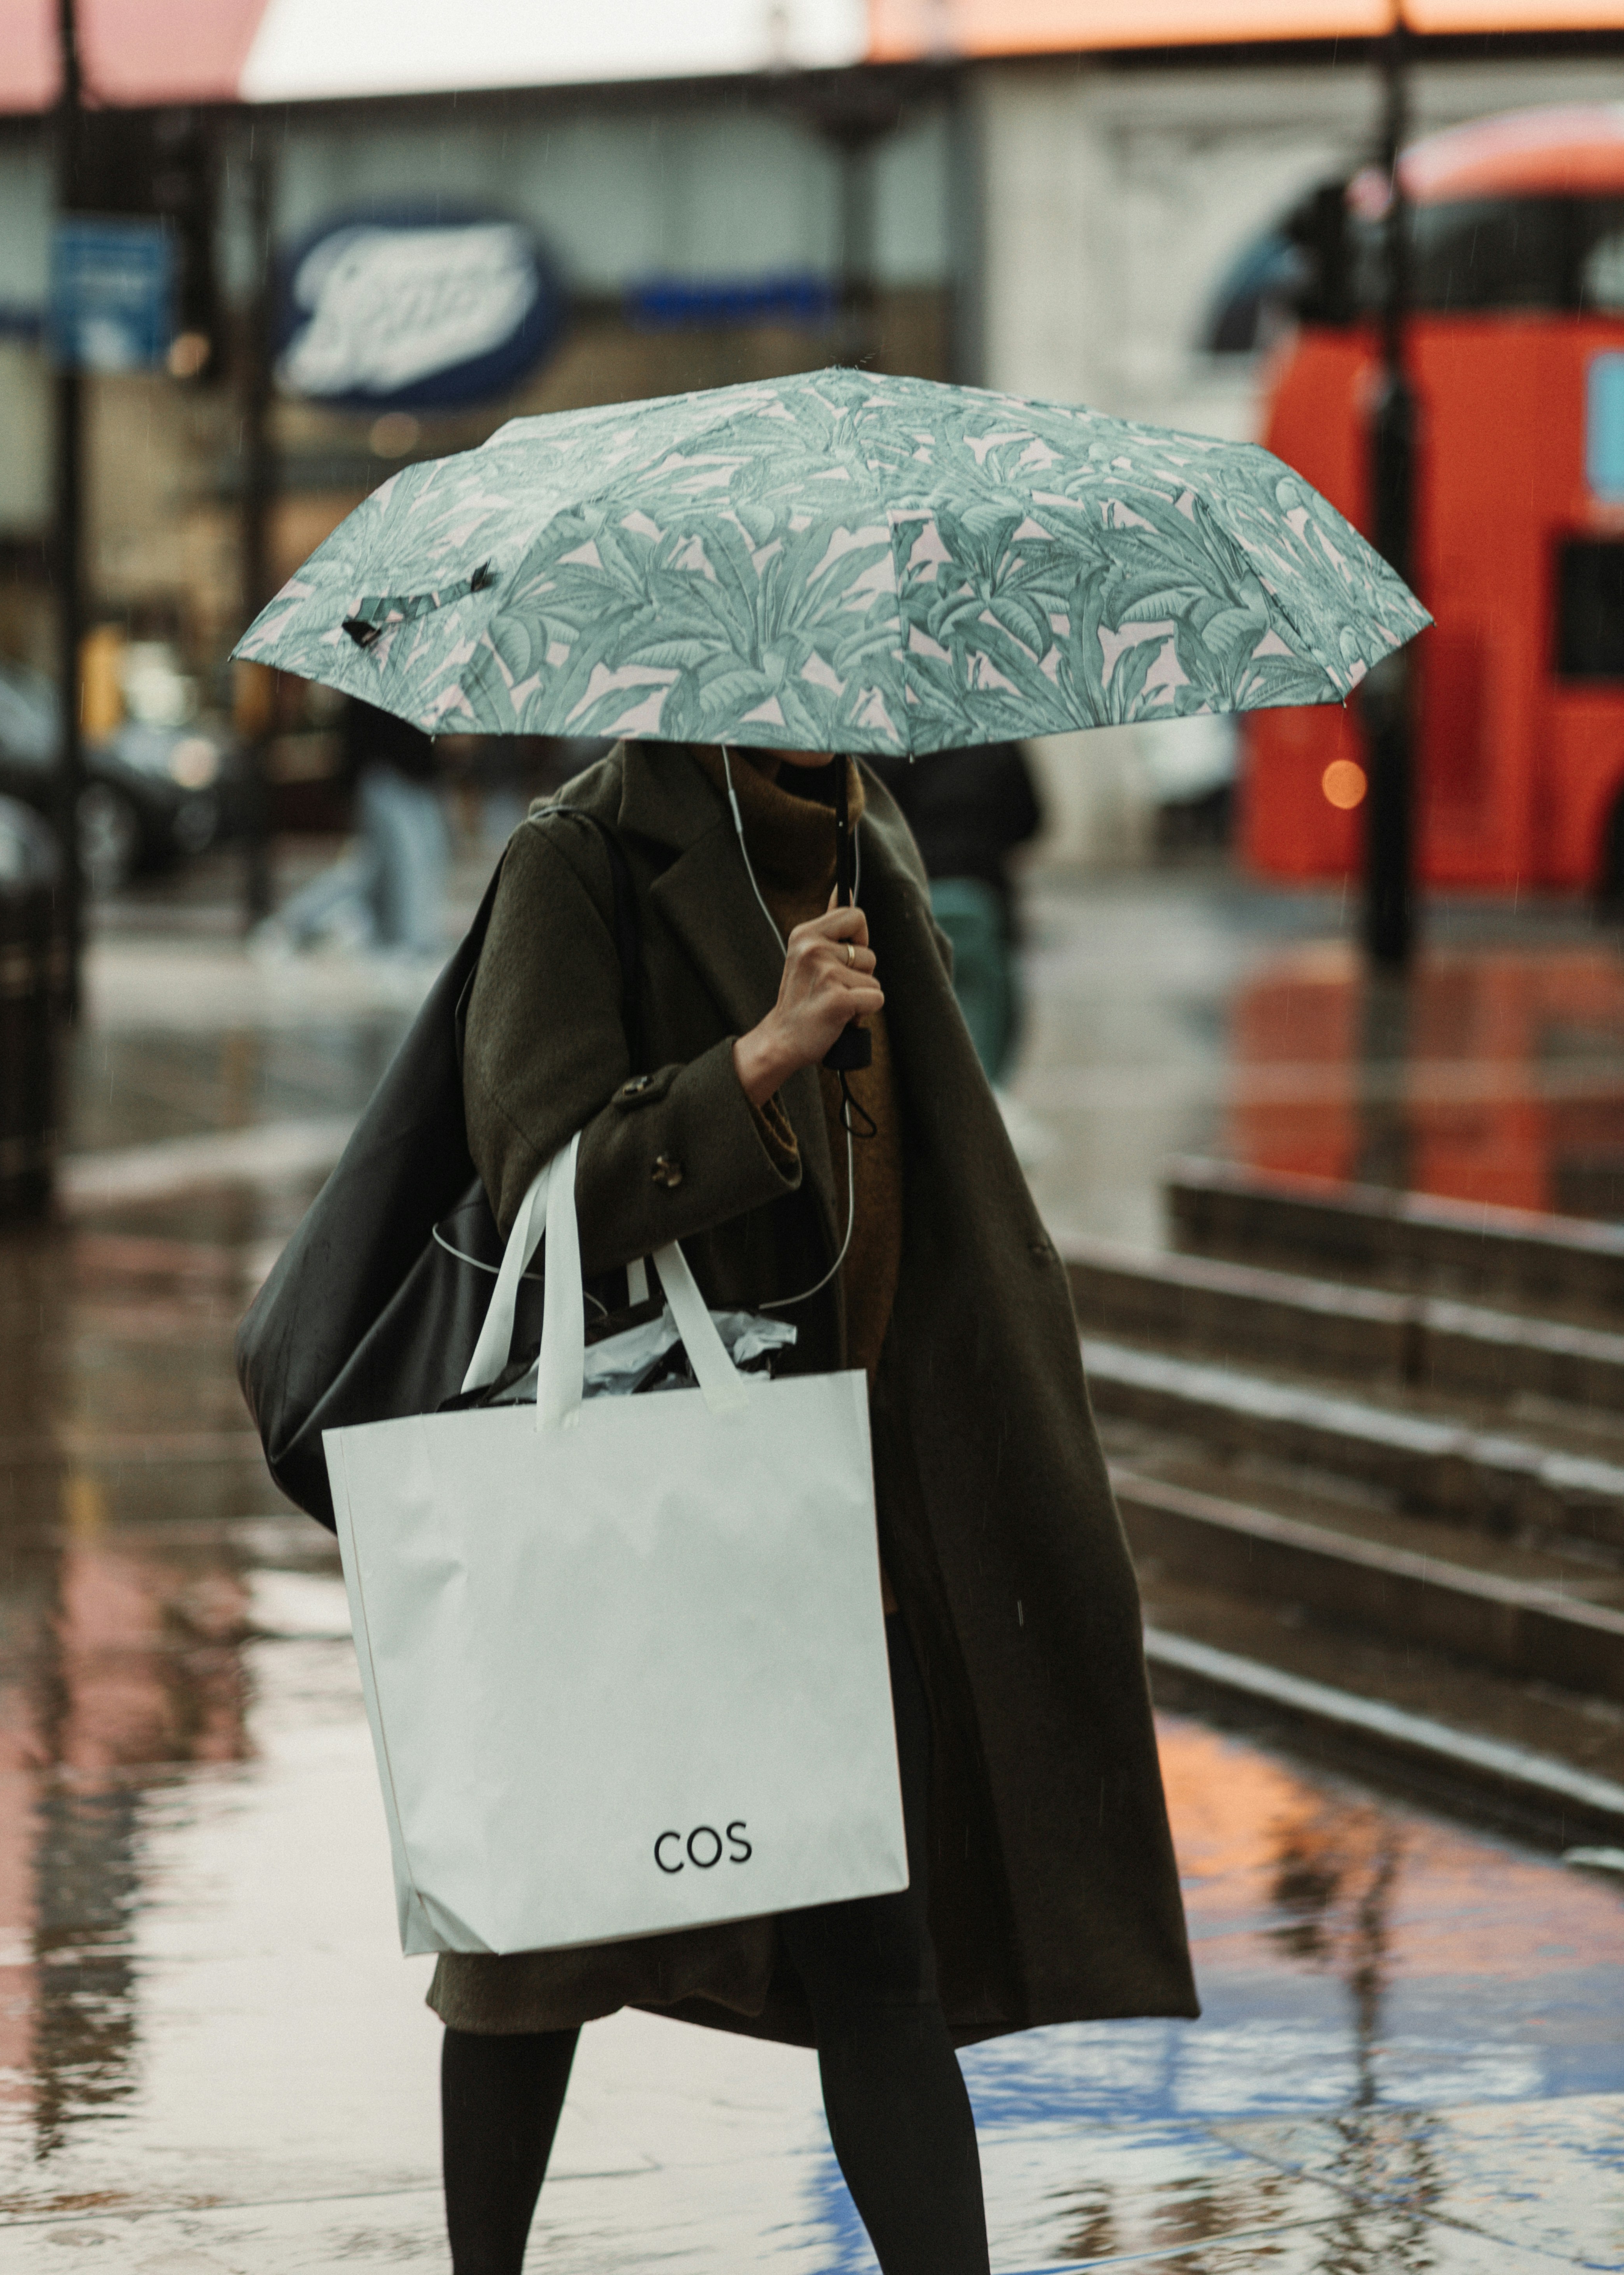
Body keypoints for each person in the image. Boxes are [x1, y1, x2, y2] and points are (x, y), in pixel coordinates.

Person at [438, 739, 1197, 2274]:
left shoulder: (871, 838)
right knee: (533, 1952)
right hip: (648, 1492)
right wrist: (758, 1064)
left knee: (881, 1956)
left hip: (847, 1508)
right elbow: (537, 1184)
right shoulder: (575, 859)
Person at [873, 743, 1042, 1084]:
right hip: (980, 899)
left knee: (915, 1034)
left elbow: (872, 819)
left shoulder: (885, 744)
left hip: (912, 901)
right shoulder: (993, 738)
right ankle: (984, 1115)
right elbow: (1032, 819)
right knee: (987, 1037)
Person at [262, 698, 449, 956]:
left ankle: (297, 922)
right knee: (407, 859)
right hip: (387, 773)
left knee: (379, 864)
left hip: (414, 777)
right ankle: (411, 940)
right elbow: (360, 733)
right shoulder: (379, 675)